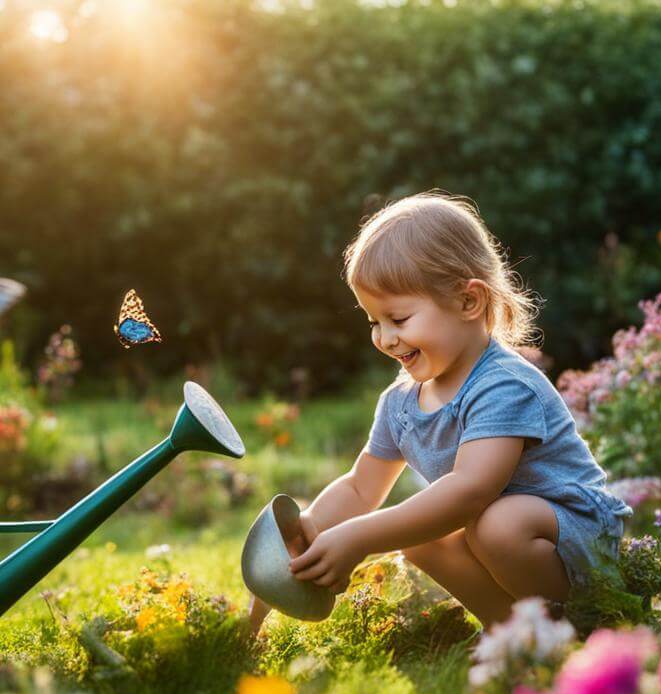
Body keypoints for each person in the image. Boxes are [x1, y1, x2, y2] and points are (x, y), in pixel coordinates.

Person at [249, 192, 630, 633]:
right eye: (374, 322)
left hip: (574, 532)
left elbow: (470, 490)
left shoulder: (503, 384)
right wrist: (305, 539)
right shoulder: (400, 402)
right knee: (422, 539)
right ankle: (517, 635)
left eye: (399, 318)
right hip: (504, 532)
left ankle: (586, 624)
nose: (385, 339)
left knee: (495, 525)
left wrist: (359, 538)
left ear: (469, 302)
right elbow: (360, 488)